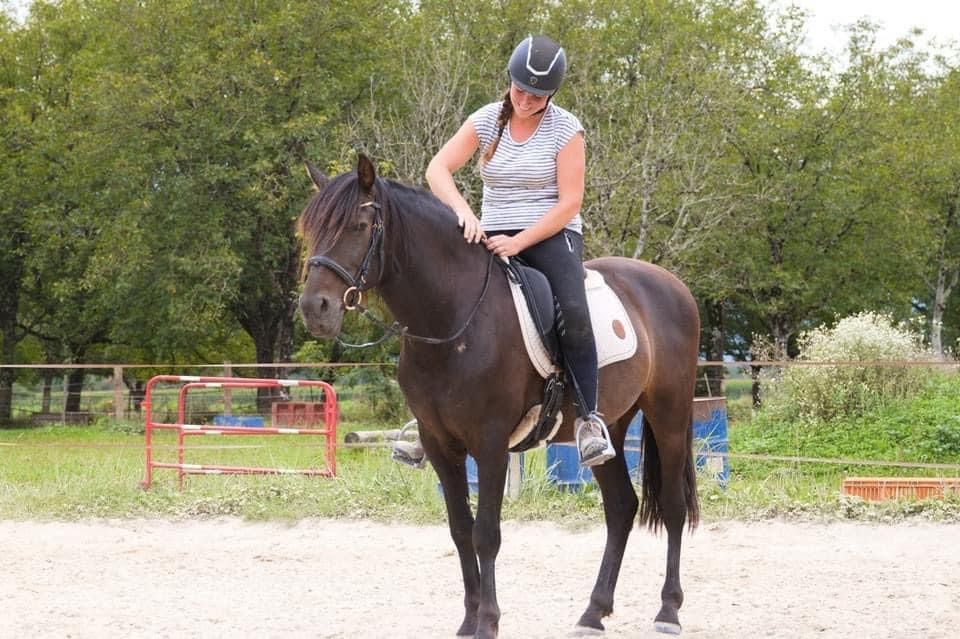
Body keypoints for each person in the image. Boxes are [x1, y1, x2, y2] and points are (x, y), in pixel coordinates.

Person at [392, 35, 615, 469]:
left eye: (537, 94)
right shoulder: (487, 119)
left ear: (552, 94)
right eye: (520, 89)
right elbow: (437, 168)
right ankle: (425, 419)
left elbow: (570, 202)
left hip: (551, 233)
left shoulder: (566, 128)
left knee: (573, 311)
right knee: (435, 303)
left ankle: (589, 418)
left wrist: (520, 241)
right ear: (509, 81)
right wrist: (462, 212)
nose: (527, 99)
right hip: (489, 230)